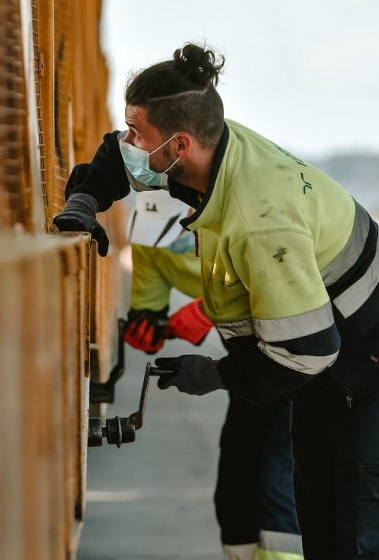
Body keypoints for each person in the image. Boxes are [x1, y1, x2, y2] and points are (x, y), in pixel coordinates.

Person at [53, 43, 379, 560]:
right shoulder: (210, 157)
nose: (127, 143)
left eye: (135, 133)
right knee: (322, 531)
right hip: (326, 375)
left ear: (178, 145)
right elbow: (118, 159)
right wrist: (84, 201)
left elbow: (307, 349)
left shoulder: (261, 218)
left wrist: (217, 374)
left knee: (369, 537)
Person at [124, 189, 303, 560]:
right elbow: (150, 309)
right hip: (245, 369)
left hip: (294, 367)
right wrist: (149, 330)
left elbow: (284, 285)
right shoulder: (149, 240)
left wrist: (208, 309)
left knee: (276, 487)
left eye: (178, 234)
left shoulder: (239, 223)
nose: (172, 245)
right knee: (234, 491)